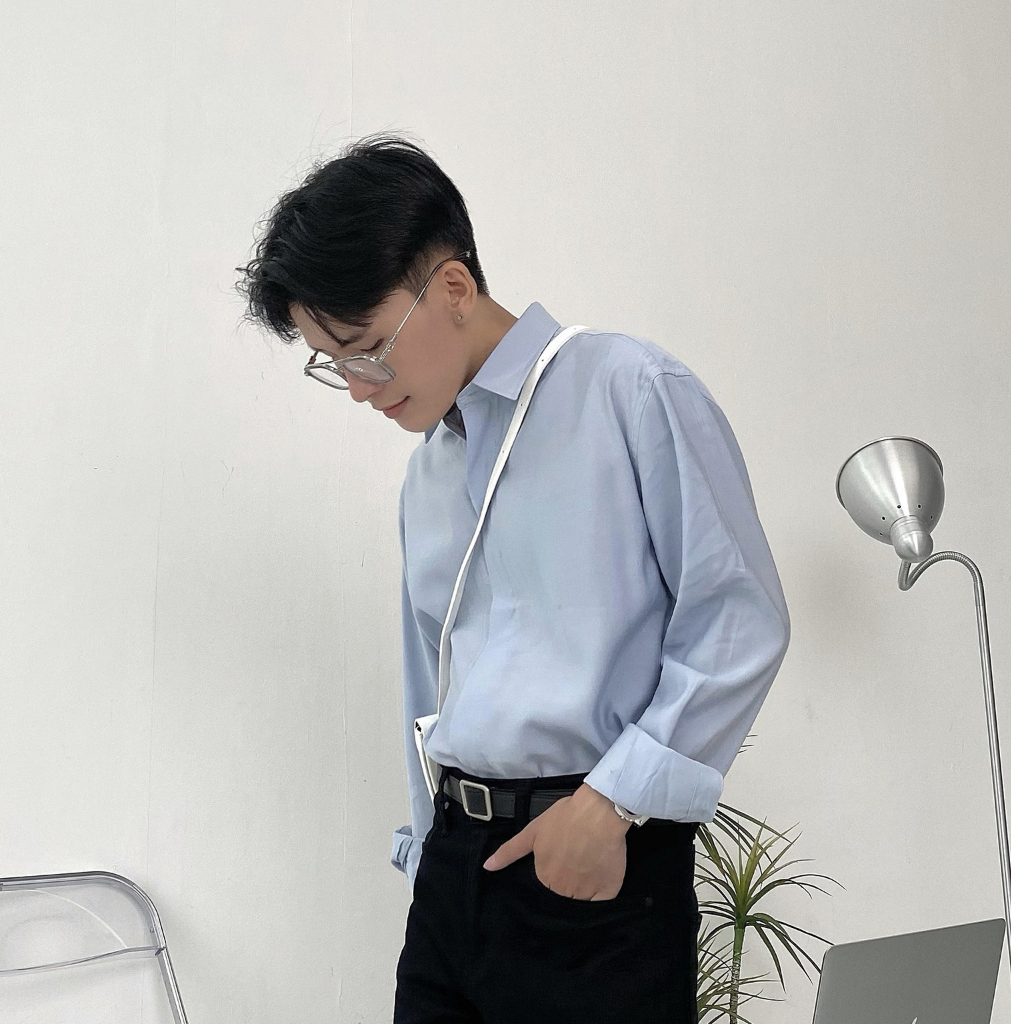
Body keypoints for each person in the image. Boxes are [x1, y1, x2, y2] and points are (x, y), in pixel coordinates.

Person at [236, 131, 791, 1023]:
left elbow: (739, 618)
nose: (360, 388)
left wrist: (610, 806)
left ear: (453, 288)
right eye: (334, 365)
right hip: (453, 881)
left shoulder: (629, 389)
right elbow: (432, 682)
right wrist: (428, 852)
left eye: (367, 349)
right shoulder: (430, 471)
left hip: (593, 873)